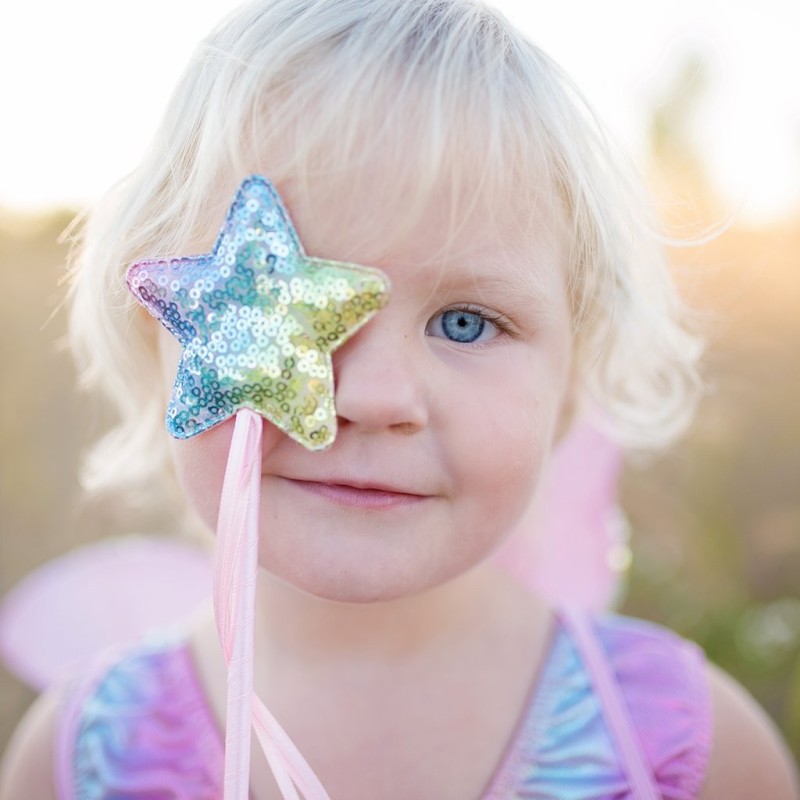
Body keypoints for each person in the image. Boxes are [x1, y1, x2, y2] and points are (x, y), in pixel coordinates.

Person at [2, 0, 798, 797]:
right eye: (276, 304)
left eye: (466, 322)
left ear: (573, 378)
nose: (374, 397)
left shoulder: (684, 750)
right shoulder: (78, 760)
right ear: (159, 336)